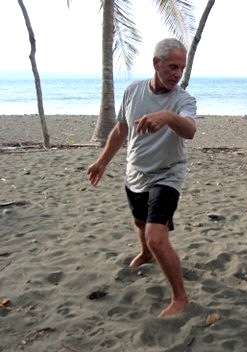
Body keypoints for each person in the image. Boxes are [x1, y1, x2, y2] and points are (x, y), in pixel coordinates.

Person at [87, 38, 196, 317]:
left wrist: (168, 117)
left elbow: (190, 130)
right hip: (135, 172)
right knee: (139, 222)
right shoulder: (133, 91)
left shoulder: (183, 100)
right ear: (156, 63)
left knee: (156, 237)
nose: (177, 74)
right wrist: (102, 161)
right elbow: (121, 130)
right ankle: (146, 254)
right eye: (172, 66)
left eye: (181, 69)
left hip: (167, 174)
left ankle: (180, 297)